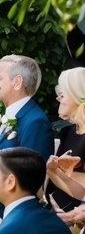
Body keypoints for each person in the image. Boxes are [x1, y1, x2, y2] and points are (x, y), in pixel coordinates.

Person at [0, 54, 54, 234]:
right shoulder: (10, 117)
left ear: (17, 82)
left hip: (6, 226)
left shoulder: (35, 122)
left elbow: (31, 179)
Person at [45, 67, 85, 214]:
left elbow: (81, 192)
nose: (58, 98)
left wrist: (57, 171)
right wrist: (53, 170)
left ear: (77, 95)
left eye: (63, 93)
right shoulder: (68, 131)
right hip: (56, 211)